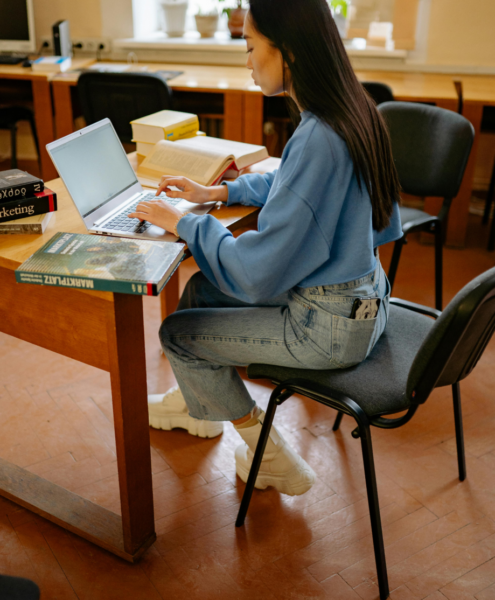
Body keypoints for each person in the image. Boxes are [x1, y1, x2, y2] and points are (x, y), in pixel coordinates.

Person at [128, 0, 402, 497]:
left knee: (178, 332)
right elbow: (294, 183)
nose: (248, 60)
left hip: (328, 327)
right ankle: (199, 407)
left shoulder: (319, 135)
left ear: (288, 53)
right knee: (201, 293)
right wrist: (221, 193)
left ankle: (272, 458)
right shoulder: (351, 109)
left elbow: (256, 272)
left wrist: (187, 223)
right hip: (366, 299)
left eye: (252, 47)